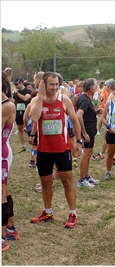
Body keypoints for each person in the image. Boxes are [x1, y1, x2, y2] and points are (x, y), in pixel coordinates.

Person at [28, 72, 82, 229]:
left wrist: (78, 141)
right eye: (51, 84)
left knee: (67, 181)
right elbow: (34, 117)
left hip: (62, 149)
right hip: (44, 149)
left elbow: (74, 120)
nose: (54, 87)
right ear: (43, 84)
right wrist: (39, 96)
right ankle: (48, 212)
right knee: (46, 182)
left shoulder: (64, 100)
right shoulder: (37, 101)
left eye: (56, 84)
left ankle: (73, 214)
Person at [2, 71, 18, 252]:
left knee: (1, 193)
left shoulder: (7, 106)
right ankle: (11, 228)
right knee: (4, 191)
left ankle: (2, 237)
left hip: (2, 155)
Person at [76, 78, 102, 188]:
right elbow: (79, 115)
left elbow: (86, 113)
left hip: (90, 130)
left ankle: (86, 176)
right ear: (91, 89)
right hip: (87, 131)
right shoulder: (85, 100)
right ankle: (82, 179)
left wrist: (96, 112)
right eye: (96, 86)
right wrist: (84, 132)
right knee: (86, 155)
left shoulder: (85, 98)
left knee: (89, 154)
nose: (97, 88)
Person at [13, 77, 32, 153]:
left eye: (17, 84)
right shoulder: (15, 93)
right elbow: (14, 102)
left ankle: (32, 144)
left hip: (27, 112)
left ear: (21, 83)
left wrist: (17, 93)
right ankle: (23, 145)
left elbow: (25, 99)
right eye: (15, 84)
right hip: (18, 112)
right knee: (20, 129)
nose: (16, 86)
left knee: (28, 129)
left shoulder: (28, 91)